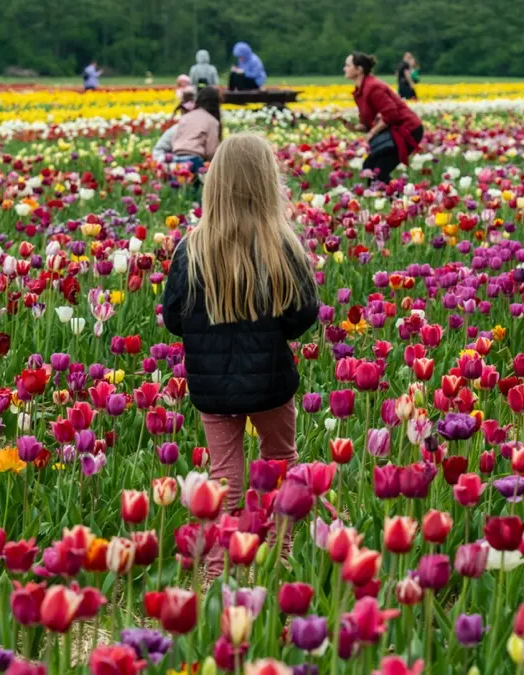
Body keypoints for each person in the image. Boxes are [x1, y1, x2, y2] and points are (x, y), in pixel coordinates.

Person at [161, 132, 318, 580]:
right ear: (269, 184)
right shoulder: (281, 245)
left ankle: (215, 570)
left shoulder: (192, 248)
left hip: (211, 389)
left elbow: (174, 318)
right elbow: (302, 316)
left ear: (214, 184)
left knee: (223, 478)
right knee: (280, 460)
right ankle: (279, 554)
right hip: (270, 382)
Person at [344, 51, 424, 184]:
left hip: (408, 129)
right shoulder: (360, 91)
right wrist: (349, 125)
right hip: (394, 130)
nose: (344, 68)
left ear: (359, 69)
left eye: (347, 65)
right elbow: (366, 124)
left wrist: (373, 132)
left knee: (378, 172)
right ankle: (391, 198)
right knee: (369, 169)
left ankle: (400, 200)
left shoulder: (373, 87)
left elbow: (391, 114)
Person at [169, 85, 222, 177]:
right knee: (196, 190)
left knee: (181, 190)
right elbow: (211, 151)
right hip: (194, 161)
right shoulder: (212, 121)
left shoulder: (185, 117)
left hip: (176, 159)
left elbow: (175, 139)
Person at [153, 91, 196, 164]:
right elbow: (157, 152)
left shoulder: (202, 129)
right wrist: (167, 159)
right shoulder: (175, 130)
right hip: (176, 167)